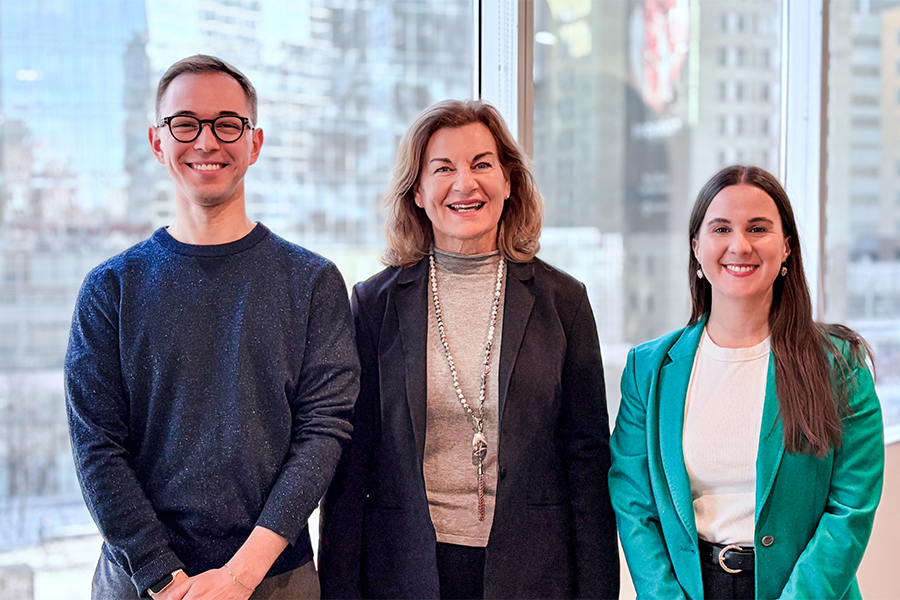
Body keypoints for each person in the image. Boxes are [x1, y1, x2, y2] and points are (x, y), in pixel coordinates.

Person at [65, 55, 359, 600]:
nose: (206, 141)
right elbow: (96, 447)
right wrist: (162, 577)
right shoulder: (111, 288)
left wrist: (241, 574)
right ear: (157, 142)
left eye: (227, 124)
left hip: (275, 578)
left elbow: (323, 431)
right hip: (139, 582)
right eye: (185, 124)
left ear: (254, 143)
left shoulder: (312, 281)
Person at [318, 99, 619, 599]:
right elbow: (352, 465)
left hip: (534, 574)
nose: (465, 184)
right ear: (417, 191)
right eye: (443, 169)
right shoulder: (374, 305)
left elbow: (586, 461)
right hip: (404, 572)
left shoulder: (563, 302)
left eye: (482, 164)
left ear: (509, 181)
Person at [609, 165, 884, 600]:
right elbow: (632, 499)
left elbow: (850, 506)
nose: (740, 245)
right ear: (697, 248)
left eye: (758, 228)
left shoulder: (839, 364)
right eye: (721, 229)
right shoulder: (648, 369)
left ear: (786, 247)